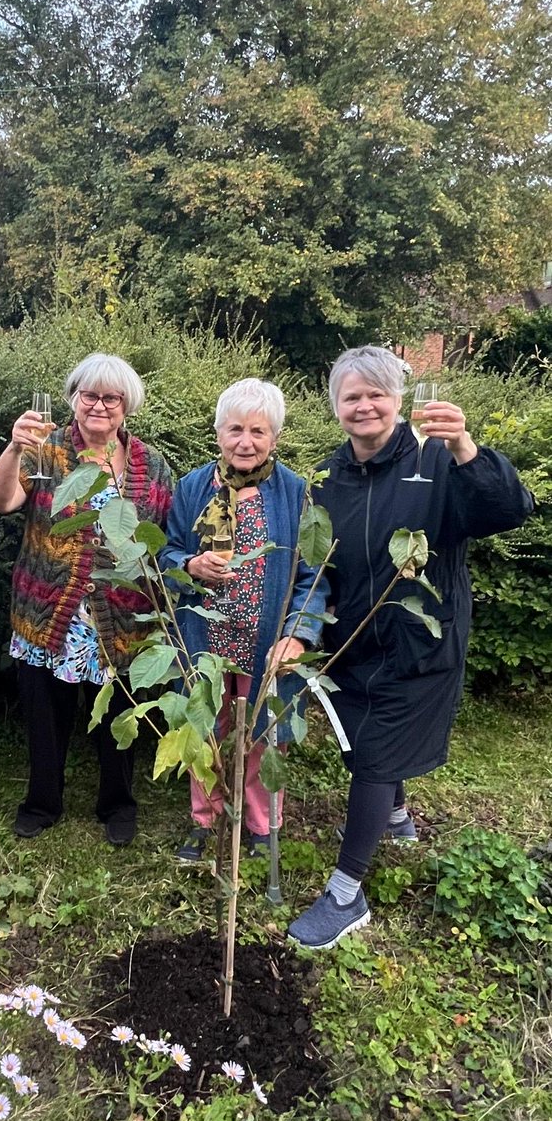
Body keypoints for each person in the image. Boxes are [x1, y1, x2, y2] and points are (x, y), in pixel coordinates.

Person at [287, 345, 534, 949]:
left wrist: (467, 449)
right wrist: (306, 625)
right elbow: (318, 564)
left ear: (398, 400)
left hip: (422, 638)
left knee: (373, 756)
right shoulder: (328, 477)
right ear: (336, 408)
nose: (365, 405)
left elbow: (511, 510)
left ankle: (346, 894)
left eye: (376, 393)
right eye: (352, 396)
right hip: (355, 642)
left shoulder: (437, 459)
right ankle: (396, 814)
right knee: (366, 740)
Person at [0, 353, 172, 846]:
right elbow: (0, 502)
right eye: (90, 395)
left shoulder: (151, 465)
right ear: (73, 398)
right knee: (46, 716)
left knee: (118, 716)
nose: (100, 406)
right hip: (51, 613)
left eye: (112, 397)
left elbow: (164, 535)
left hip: (121, 618)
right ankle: (42, 802)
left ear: (127, 404)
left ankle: (118, 804)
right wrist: (12, 449)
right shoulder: (45, 451)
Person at [160, 378, 325, 861]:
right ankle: (206, 818)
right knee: (204, 726)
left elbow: (313, 573)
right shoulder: (193, 487)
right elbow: (168, 549)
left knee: (261, 734)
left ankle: (259, 824)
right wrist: (188, 566)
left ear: (275, 437)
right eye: (235, 429)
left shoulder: (294, 492)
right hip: (205, 637)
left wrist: (299, 634)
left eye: (258, 430)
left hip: (265, 638)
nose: (245, 441)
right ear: (218, 433)